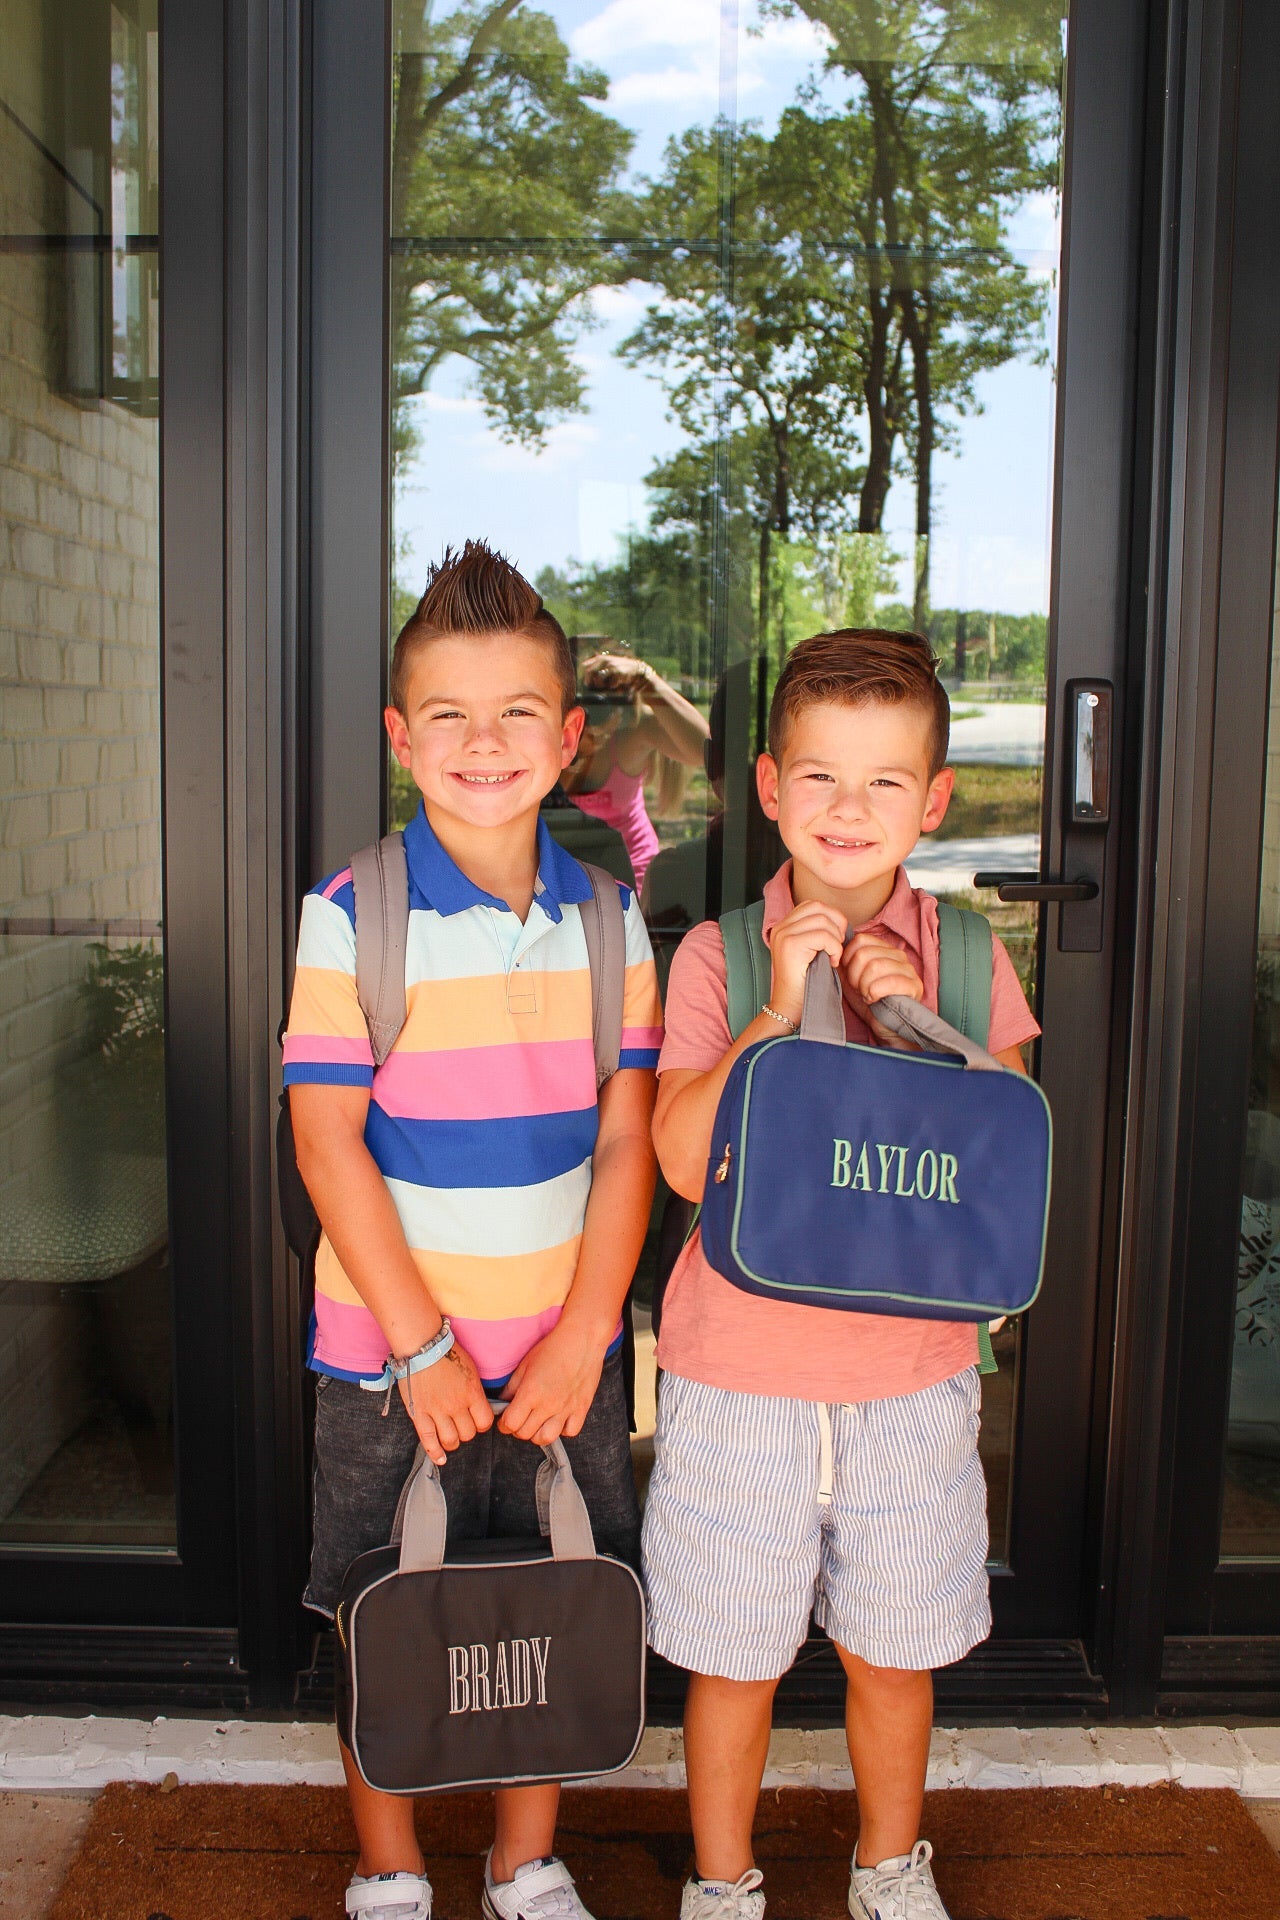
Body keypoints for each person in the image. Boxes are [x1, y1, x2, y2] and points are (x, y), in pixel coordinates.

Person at [283, 542, 663, 1920]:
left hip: (563, 1361)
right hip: (394, 1365)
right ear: (400, 737)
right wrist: (424, 1347)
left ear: (567, 740)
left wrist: (583, 1339)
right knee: (381, 1608)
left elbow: (629, 1140)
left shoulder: (613, 924)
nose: (482, 743)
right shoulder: (354, 916)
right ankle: (389, 1870)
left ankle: (523, 1861)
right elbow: (325, 1139)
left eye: (516, 714)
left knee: (548, 1603)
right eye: (447, 715)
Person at [643, 628, 1040, 1920]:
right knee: (733, 1657)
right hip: (737, 1376)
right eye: (820, 779)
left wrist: (924, 1020)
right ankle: (721, 1881)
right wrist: (779, 1006)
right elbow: (688, 1161)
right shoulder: (718, 956)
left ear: (933, 800)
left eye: (884, 784)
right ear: (767, 788)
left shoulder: (969, 960)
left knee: (891, 1651)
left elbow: (1003, 1168)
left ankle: (887, 1865)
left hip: (909, 1379)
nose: (849, 812)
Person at [562, 644, 710, 892]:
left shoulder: (633, 734)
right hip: (564, 874)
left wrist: (646, 679)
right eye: (584, 695)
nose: (597, 708)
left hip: (633, 871)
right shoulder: (550, 736)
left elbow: (706, 750)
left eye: (604, 697)